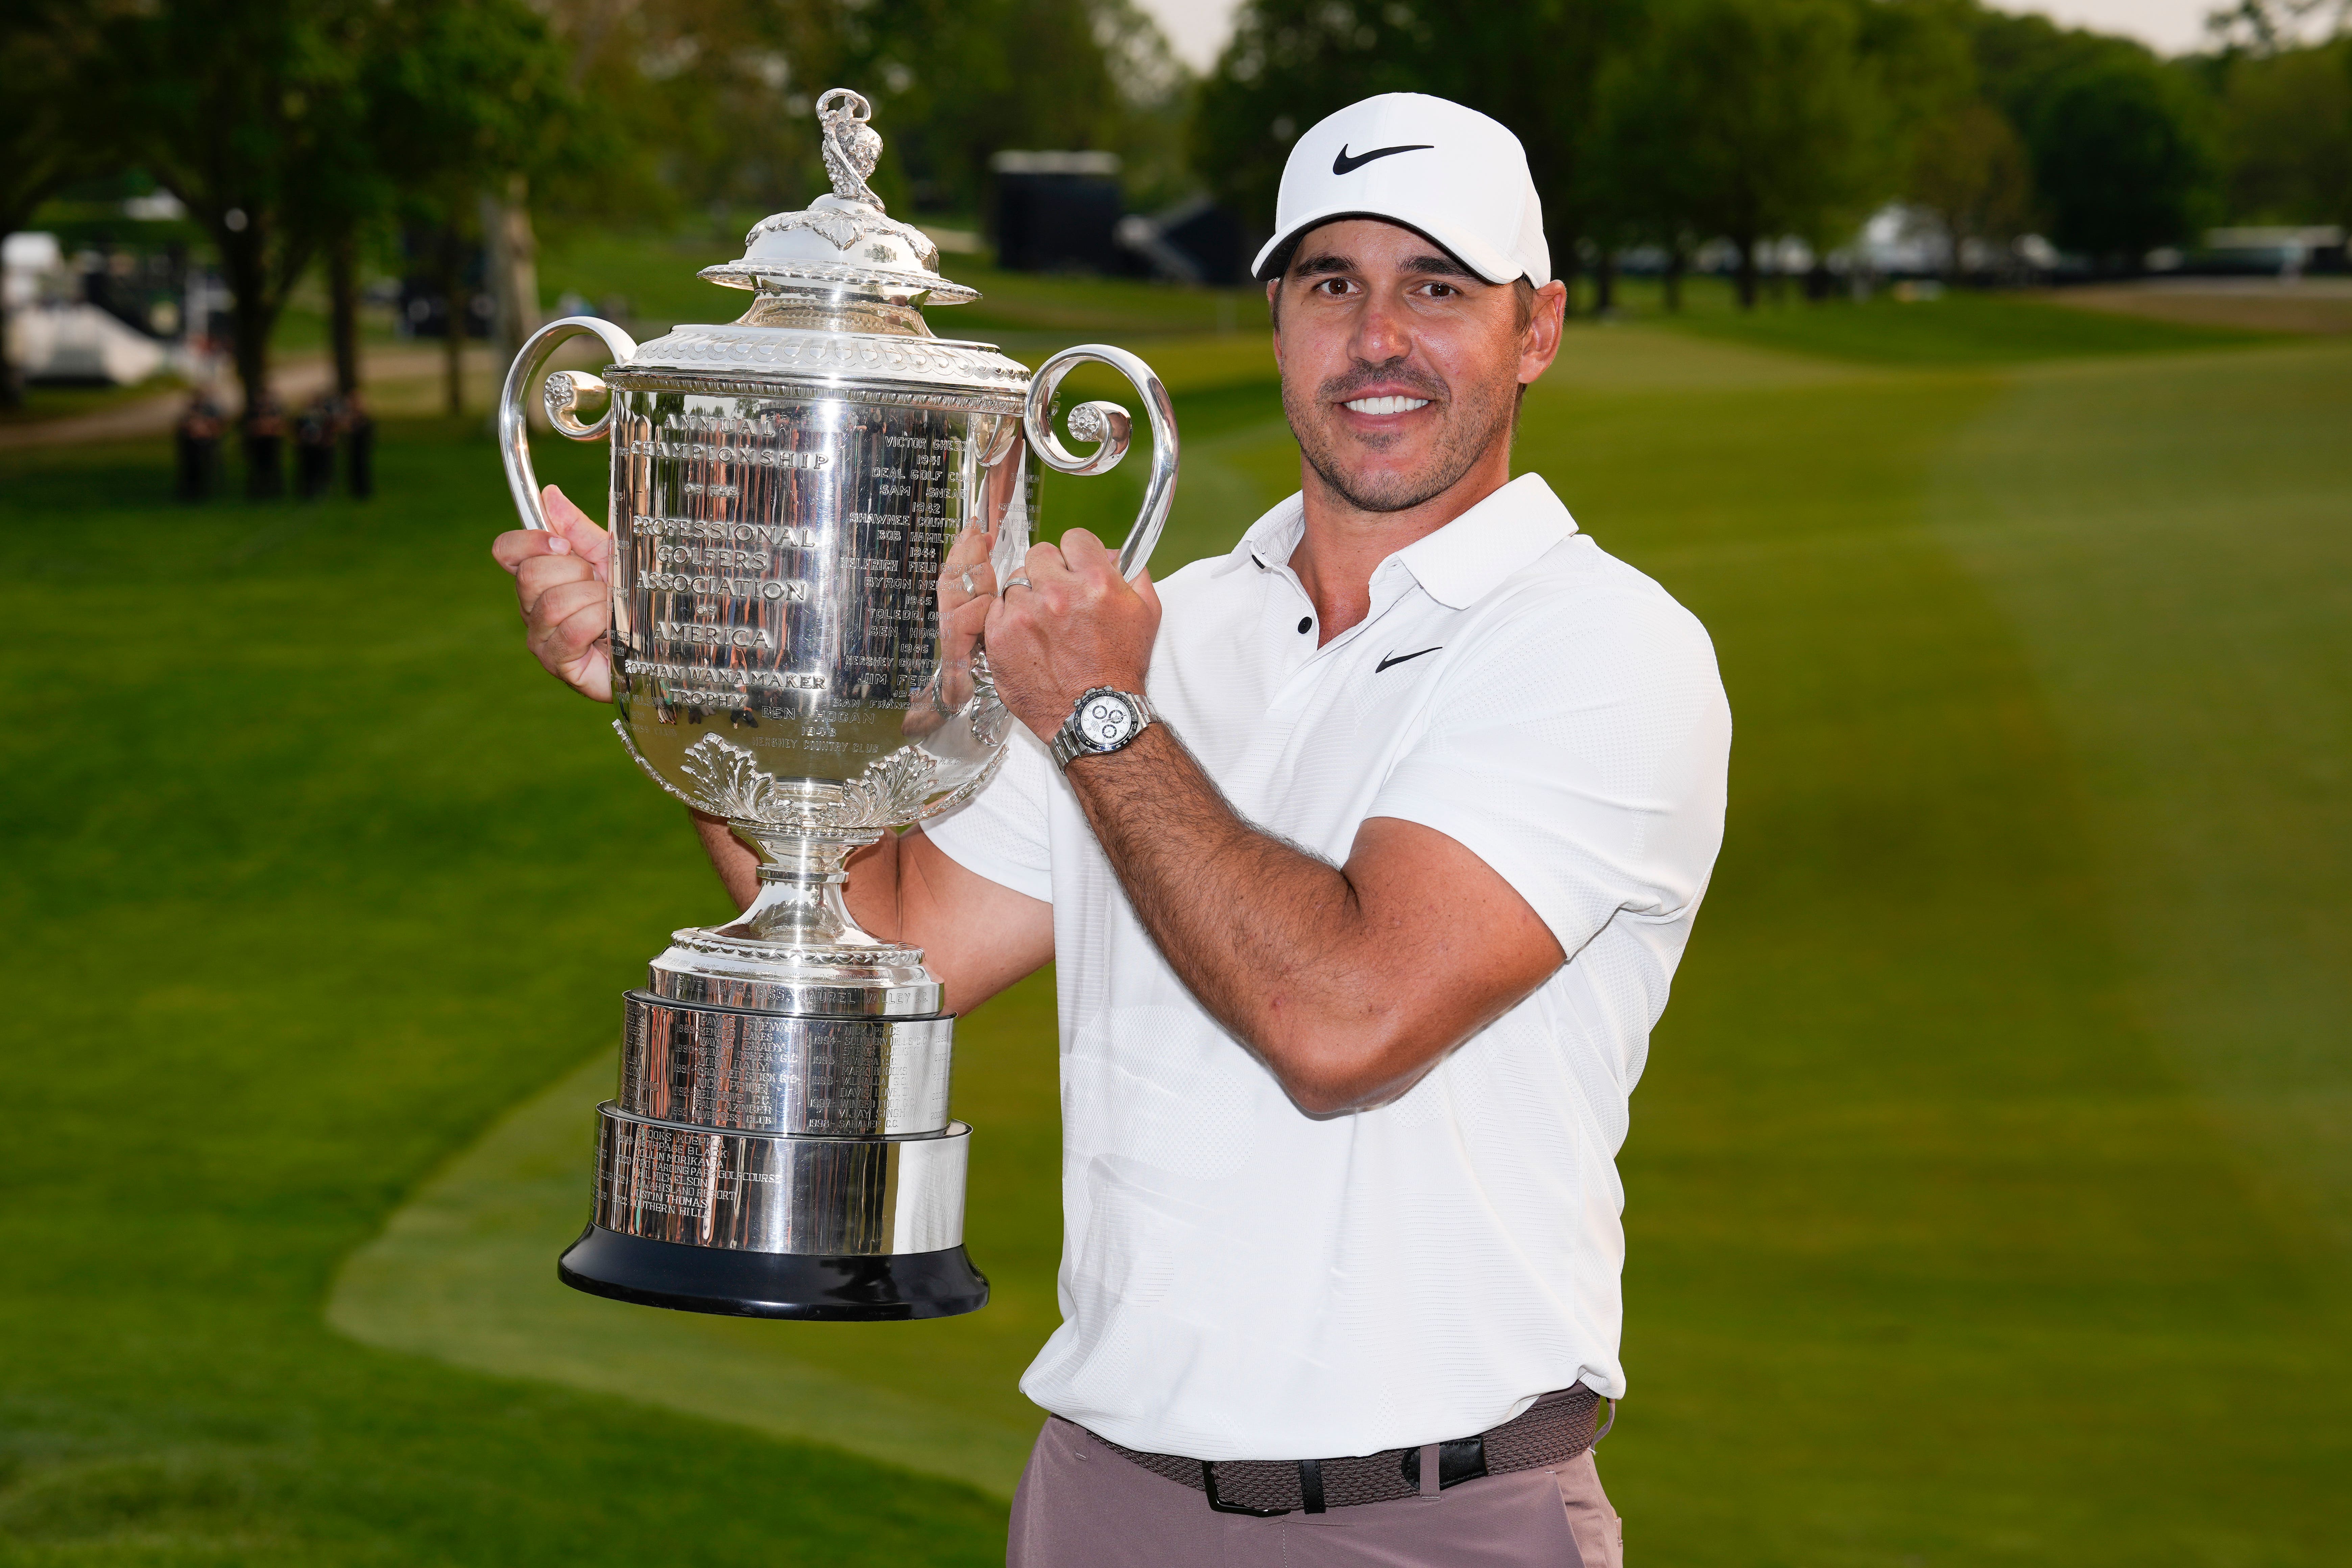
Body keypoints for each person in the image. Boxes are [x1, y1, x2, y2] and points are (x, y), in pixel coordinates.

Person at [496, 92, 1729, 1567]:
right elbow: (900, 941)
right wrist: (698, 683)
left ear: (1538, 330)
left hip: (1431, 1520)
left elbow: (1344, 1017)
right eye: (1331, 283)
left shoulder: (1602, 646)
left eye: (1440, 288)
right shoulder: (1177, 625)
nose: (1379, 338)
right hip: (1106, 1500)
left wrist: (1098, 719)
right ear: (1278, 323)